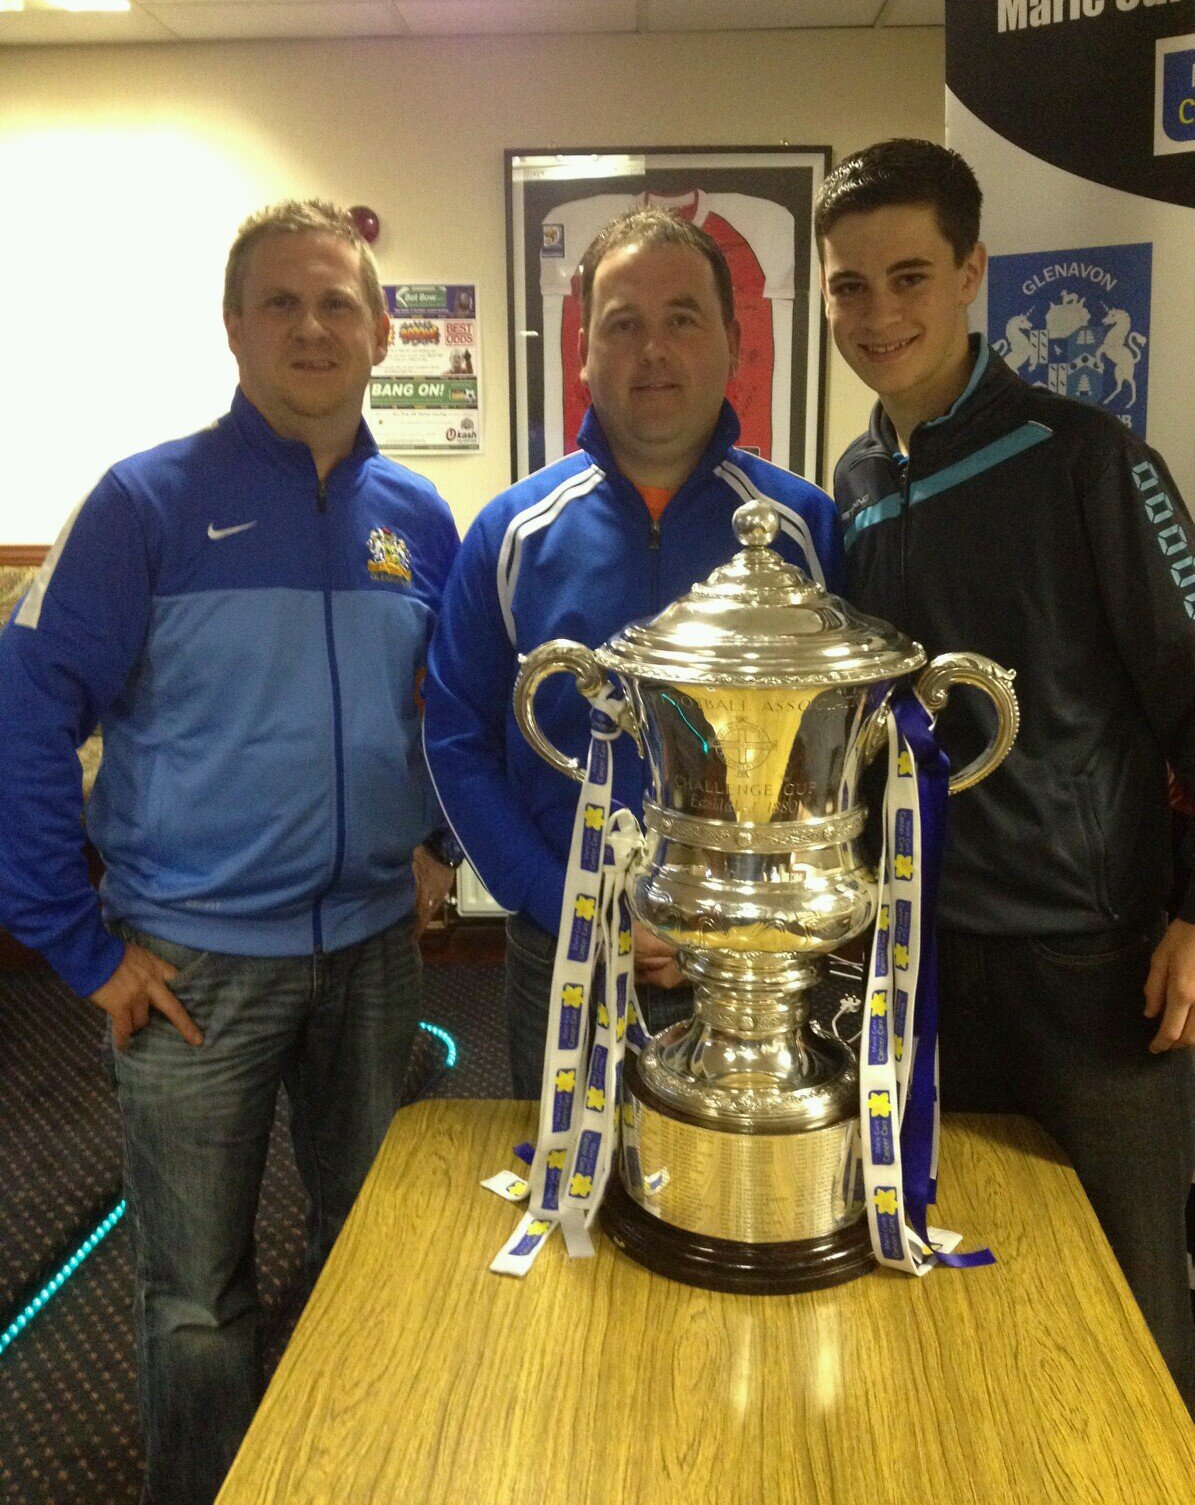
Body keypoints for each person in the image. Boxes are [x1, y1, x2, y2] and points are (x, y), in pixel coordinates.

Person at [0, 199, 462, 1503]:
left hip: (371, 954)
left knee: (369, 1249)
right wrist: (76, 945)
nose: (311, 326)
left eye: (335, 302)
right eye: (280, 301)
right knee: (196, 1298)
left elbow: (446, 708)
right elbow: (26, 707)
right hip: (188, 968)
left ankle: (350, 1471)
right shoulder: (146, 502)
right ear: (233, 327)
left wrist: (431, 839)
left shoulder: (417, 519)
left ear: (379, 329)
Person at [818, 138, 1195, 1405]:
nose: (879, 315)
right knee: (964, 1298)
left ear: (974, 271)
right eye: (849, 286)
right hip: (921, 964)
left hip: (1090, 969)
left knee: (1130, 1311)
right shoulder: (855, 486)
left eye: (910, 276)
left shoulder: (1091, 459)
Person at [423, 208, 844, 1099]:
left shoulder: (805, 530)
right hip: (563, 943)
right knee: (574, 1214)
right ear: (584, 351)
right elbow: (457, 742)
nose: (653, 348)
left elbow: (843, 758)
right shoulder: (508, 534)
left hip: (757, 959)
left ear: (733, 341)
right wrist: (571, 901)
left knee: (742, 1211)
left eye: (682, 318)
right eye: (623, 323)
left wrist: (741, 920)